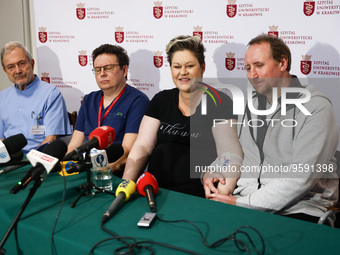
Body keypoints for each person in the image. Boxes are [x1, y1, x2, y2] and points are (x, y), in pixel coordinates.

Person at [204, 34, 339, 225]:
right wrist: (212, 171)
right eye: (248, 68)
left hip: (298, 209)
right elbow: (237, 151)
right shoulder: (248, 105)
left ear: (282, 63)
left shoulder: (315, 107)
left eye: (259, 65)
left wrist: (243, 203)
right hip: (244, 200)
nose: (252, 75)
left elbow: (300, 178)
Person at [122, 35, 243, 197]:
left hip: (197, 196)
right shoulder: (160, 100)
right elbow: (142, 146)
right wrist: (126, 184)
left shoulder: (220, 102)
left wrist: (220, 195)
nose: (183, 72)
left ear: (203, 67)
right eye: (177, 66)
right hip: (154, 191)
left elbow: (228, 152)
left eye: (190, 66)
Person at [67, 44, 149, 172]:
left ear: (125, 70)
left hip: (114, 170)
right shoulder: (89, 99)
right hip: (85, 167)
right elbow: (74, 144)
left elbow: (127, 151)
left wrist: (105, 169)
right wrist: (68, 165)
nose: (102, 74)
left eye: (108, 68)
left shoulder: (137, 101)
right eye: (98, 69)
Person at [0, 41, 71, 153]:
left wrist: (32, 159)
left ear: (32, 64)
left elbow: (51, 139)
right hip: (9, 160)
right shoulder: (2, 97)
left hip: (38, 158)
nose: (17, 71)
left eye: (22, 63)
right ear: (5, 70)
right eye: (11, 67)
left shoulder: (51, 94)